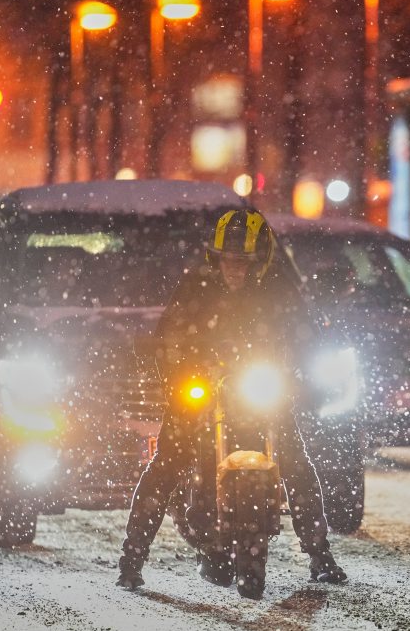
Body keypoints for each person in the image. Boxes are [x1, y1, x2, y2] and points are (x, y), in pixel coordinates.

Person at [116, 208, 347, 590]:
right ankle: (131, 559)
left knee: (294, 460)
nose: (235, 270)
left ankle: (320, 555)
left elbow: (306, 339)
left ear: (260, 263)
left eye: (244, 263)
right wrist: (174, 371)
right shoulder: (195, 287)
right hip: (202, 393)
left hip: (259, 390)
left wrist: (303, 377)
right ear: (216, 259)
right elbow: (166, 336)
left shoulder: (279, 291)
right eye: (228, 261)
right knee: (167, 462)